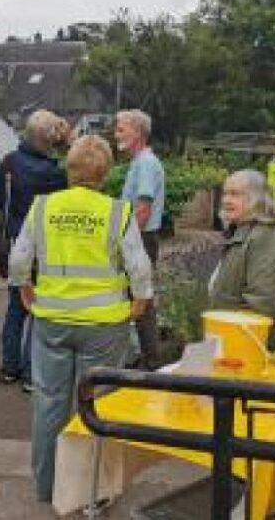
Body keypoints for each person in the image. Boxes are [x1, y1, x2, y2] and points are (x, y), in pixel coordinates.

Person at [8, 135, 153, 503]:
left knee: (49, 403)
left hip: (52, 320)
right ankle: (92, 493)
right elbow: (138, 265)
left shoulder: (43, 207)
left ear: (69, 170)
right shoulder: (117, 212)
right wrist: (140, 300)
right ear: (105, 174)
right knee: (98, 405)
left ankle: (47, 486)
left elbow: (20, 257)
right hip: (104, 325)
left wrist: (25, 289)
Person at [0, 109, 69, 392]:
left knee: (15, 308)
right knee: (38, 309)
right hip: (44, 249)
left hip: (16, 245)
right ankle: (29, 374)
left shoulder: (9, 162)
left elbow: (0, 199)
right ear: (51, 139)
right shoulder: (55, 174)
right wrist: (68, 143)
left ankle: (8, 368)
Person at [209, 169, 275, 351]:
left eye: (235, 194)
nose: (226, 200)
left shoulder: (264, 236)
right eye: (225, 193)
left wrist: (234, 341)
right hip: (238, 335)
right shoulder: (243, 231)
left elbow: (260, 303)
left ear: (257, 199)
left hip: (256, 343)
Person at [113, 109, 165, 369]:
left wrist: (126, 242)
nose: (116, 134)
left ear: (138, 133)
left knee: (141, 299)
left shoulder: (145, 163)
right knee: (139, 297)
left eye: (121, 129)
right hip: (141, 237)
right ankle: (142, 357)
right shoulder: (141, 162)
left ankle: (150, 363)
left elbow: (143, 209)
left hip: (141, 238)